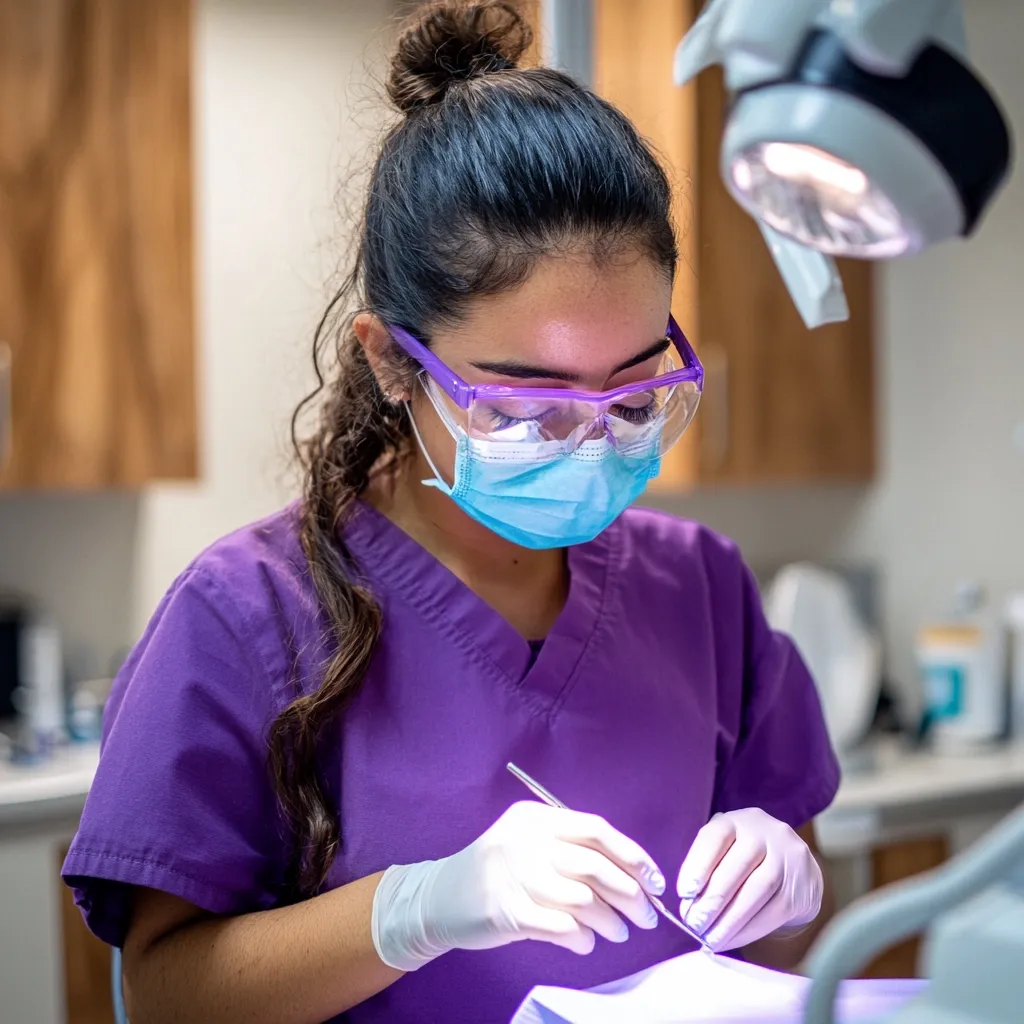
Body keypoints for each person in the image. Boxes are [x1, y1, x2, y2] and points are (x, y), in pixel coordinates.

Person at [62, 3, 840, 1022]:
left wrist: (788, 884)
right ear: (390, 359)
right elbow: (163, 993)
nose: (591, 443)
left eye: (635, 397)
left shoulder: (699, 587)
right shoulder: (239, 615)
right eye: (525, 404)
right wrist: (417, 908)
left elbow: (781, 930)